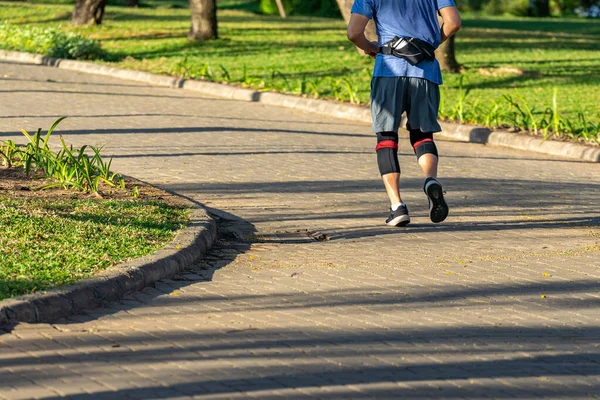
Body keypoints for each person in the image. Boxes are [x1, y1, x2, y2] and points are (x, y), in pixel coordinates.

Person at [347, 0, 461, 226]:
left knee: (387, 136)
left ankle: (397, 206)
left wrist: (370, 46)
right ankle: (430, 180)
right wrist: (427, 44)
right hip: (425, 70)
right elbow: (453, 22)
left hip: (389, 70)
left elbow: (353, 32)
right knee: (422, 134)